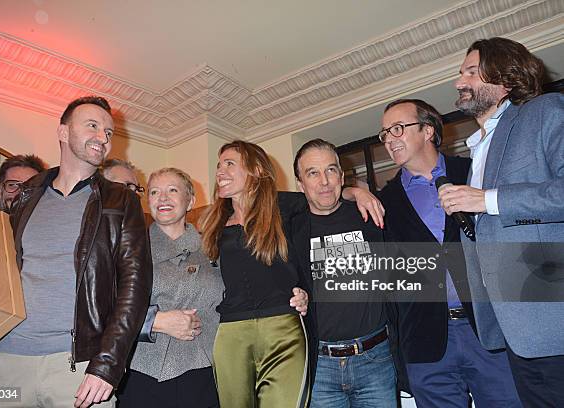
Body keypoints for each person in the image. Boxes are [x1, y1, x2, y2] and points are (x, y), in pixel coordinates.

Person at [0, 96, 152, 408]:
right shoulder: (24, 197)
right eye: (93, 125)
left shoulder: (121, 201)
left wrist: (107, 366)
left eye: (108, 132)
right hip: (10, 362)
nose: (103, 137)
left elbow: (135, 288)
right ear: (63, 132)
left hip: (79, 367)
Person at [438, 37, 564, 406]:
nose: (459, 81)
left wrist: (486, 200)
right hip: (513, 330)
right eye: (460, 73)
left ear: (506, 78)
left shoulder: (546, 111)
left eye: (471, 72)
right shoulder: (477, 148)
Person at [378, 99, 520, 407]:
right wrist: (354, 190)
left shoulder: (474, 171)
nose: (389, 139)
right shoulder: (382, 202)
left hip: (489, 332)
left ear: (428, 131)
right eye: (385, 133)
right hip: (425, 342)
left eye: (398, 128)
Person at [200, 140, 311, 408]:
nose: (220, 172)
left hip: (283, 329)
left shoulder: (286, 206)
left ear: (257, 169)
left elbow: (327, 199)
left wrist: (356, 191)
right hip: (230, 333)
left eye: (229, 163)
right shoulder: (212, 223)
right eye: (218, 166)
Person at [290, 138, 397, 407]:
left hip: (376, 359)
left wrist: (356, 192)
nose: (324, 181)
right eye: (312, 173)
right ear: (300, 184)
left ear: (341, 175)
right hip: (321, 365)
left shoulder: (370, 215)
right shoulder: (290, 229)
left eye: (331, 170)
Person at [117, 167, 222, 407]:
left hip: (206, 368)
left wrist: (294, 294)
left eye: (172, 190)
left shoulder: (215, 248)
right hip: (143, 370)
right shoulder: (128, 249)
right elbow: (106, 307)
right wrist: (155, 321)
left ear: (190, 201)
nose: (162, 198)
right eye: (154, 192)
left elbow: (241, 296)